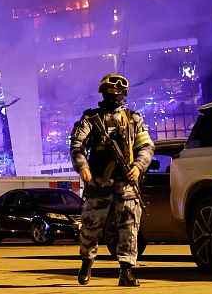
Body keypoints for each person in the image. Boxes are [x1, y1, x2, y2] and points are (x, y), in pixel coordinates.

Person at [70, 73, 154, 287]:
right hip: (99, 181)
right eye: (110, 92)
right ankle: (87, 262)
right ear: (103, 93)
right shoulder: (91, 119)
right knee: (90, 227)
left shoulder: (134, 119)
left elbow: (146, 146)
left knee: (129, 226)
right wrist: (83, 167)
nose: (115, 96)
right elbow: (77, 146)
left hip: (126, 183)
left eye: (118, 93)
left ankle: (126, 270)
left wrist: (138, 166)